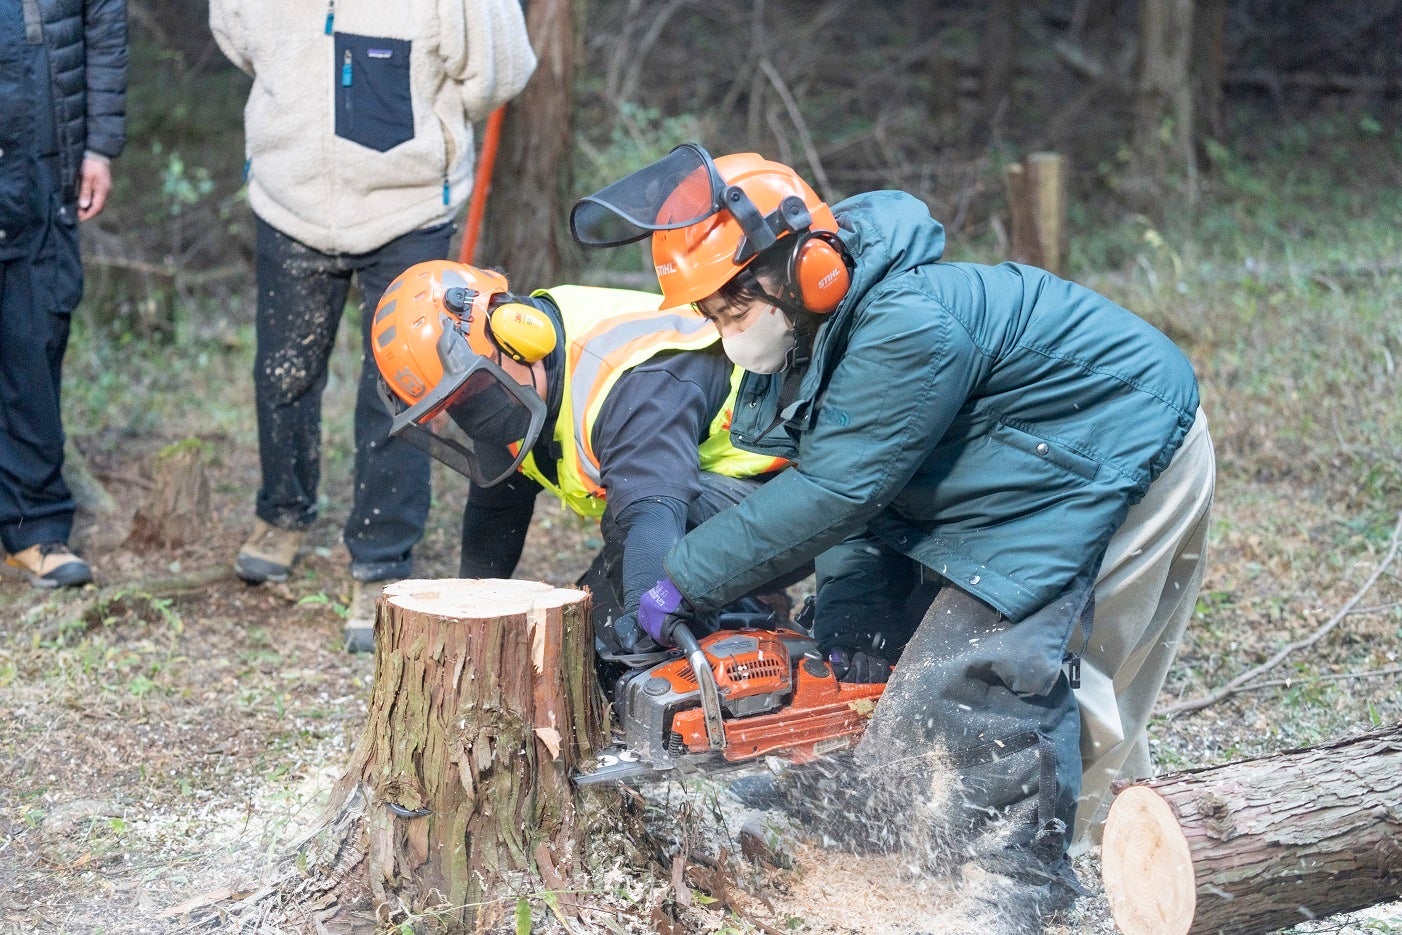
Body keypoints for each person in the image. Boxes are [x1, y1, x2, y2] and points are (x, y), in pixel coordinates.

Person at [571, 145, 1215, 912]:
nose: (729, 330)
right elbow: (856, 498)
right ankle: (873, 809)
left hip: (1110, 443)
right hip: (1013, 465)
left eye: (735, 307)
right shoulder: (812, 345)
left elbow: (834, 494)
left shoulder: (906, 322)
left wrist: (684, 576)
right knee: (883, 653)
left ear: (807, 266)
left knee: (985, 666)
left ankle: (1025, 880)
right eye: (714, 314)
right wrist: (851, 623)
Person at [208, 0, 536, 647]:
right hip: (287, 196)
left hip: (409, 207)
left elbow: (500, 70)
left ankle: (381, 557)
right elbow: (236, 33)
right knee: (284, 369)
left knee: (401, 383)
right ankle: (282, 511)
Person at [369, 259, 796, 656]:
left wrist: (646, 625)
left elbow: (652, 513)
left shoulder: (628, 379)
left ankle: (730, 628)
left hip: (801, 497)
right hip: (696, 499)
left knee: (618, 643)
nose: (473, 413)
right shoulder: (510, 385)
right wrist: (464, 615)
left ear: (519, 333)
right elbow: (497, 506)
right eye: (457, 404)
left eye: (474, 394)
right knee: (582, 636)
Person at [1, 0, 126, 589]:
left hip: (44, 166)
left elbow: (103, 23)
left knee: (34, 348)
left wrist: (100, 147)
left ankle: (33, 530)